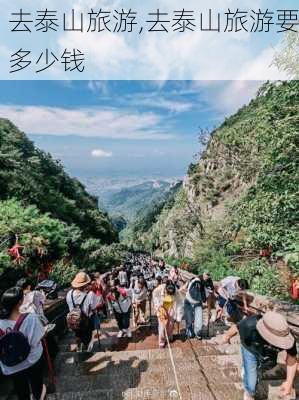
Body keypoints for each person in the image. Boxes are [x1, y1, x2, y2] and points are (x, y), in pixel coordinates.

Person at [218, 311, 298, 400]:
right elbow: (237, 327)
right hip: (250, 347)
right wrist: (226, 336)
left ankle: (252, 372)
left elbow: (292, 358)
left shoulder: (287, 337)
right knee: (251, 382)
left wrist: (289, 382)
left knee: (266, 366)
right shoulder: (250, 324)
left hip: (268, 352)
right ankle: (249, 393)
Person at [0, 287, 46, 400]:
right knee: (36, 385)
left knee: (21, 390)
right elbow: (36, 340)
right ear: (19, 302)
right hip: (31, 361)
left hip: (11, 366)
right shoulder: (30, 318)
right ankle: (37, 396)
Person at [66, 272, 100, 351]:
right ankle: (86, 349)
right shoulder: (90, 294)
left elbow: (69, 306)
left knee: (77, 334)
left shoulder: (69, 294)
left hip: (74, 319)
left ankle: (78, 348)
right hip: (86, 321)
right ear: (86, 284)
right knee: (87, 336)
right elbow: (94, 308)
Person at [153, 280, 184, 348]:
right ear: (166, 289)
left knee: (170, 325)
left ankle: (169, 336)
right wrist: (158, 306)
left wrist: (179, 316)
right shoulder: (159, 289)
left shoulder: (176, 292)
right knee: (162, 326)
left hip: (171, 307)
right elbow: (155, 296)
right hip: (162, 308)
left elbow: (180, 303)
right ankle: (161, 341)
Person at [182, 275, 206, 340]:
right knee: (191, 319)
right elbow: (182, 289)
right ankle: (192, 331)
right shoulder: (193, 282)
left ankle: (195, 332)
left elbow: (183, 288)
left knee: (194, 320)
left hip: (195, 302)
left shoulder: (202, 286)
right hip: (190, 302)